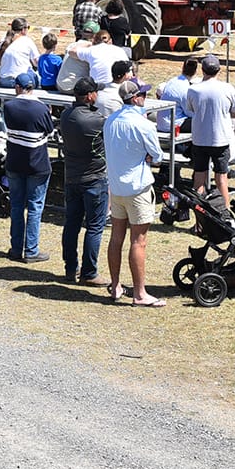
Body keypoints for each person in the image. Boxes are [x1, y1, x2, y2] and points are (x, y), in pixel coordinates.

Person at [103, 80, 165, 306]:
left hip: (116, 186)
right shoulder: (143, 124)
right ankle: (139, 293)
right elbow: (157, 156)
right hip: (137, 188)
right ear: (136, 98)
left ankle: (115, 284)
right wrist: (147, 157)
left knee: (116, 237)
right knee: (138, 241)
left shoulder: (110, 120)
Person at [60, 76, 108, 285]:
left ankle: (71, 268)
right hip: (94, 178)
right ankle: (89, 272)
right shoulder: (96, 120)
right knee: (95, 226)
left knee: (71, 224)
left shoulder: (66, 115)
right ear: (90, 96)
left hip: (72, 177)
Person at [3, 71, 54, 263]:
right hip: (37, 163)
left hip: (15, 161)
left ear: (17, 87)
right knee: (35, 206)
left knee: (16, 206)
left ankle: (16, 248)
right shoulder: (40, 108)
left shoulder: (9, 106)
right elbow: (49, 129)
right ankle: (31, 250)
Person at [185, 54, 235, 211]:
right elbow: (234, 111)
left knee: (199, 178)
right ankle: (226, 212)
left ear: (202, 70)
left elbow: (191, 109)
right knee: (221, 178)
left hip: (199, 139)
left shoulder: (193, 89)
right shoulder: (228, 88)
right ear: (219, 70)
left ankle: (199, 217)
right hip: (221, 138)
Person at [0, 17, 39, 88]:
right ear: (23, 30)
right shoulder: (27, 41)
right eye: (27, 27)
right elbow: (36, 62)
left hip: (4, 81)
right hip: (21, 81)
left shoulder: (3, 41)